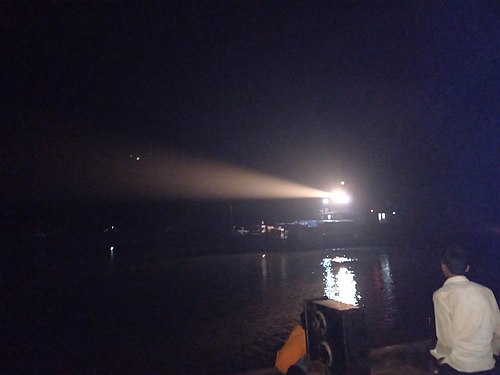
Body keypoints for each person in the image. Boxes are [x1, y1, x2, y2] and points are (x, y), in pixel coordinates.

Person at [431, 245, 500, 374]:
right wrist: (493, 351)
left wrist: (439, 356)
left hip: (459, 365)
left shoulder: (442, 295)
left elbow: (446, 339)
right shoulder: (486, 292)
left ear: (443, 267)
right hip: (487, 363)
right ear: (468, 268)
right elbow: (498, 330)